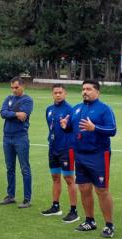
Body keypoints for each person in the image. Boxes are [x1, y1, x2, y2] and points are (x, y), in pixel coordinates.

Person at [60, 80, 116, 237]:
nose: (85, 92)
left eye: (89, 89)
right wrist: (65, 125)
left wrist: (95, 128)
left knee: (101, 190)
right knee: (84, 189)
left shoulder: (104, 109)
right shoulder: (77, 108)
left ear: (97, 92)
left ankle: (109, 225)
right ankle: (90, 221)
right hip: (80, 155)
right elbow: (70, 127)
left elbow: (112, 130)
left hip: (98, 154)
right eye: (83, 89)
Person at [41, 84, 79, 223]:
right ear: (52, 94)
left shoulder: (70, 110)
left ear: (65, 93)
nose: (58, 95)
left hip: (66, 149)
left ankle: (74, 211)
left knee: (69, 179)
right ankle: (55, 206)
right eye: (55, 92)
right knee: (55, 177)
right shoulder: (49, 110)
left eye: (60, 92)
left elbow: (74, 130)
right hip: (53, 148)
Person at [0, 76, 33, 208]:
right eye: (12, 87)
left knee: (24, 168)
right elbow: (2, 113)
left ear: (23, 86)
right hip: (7, 137)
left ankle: (27, 199)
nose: (14, 90)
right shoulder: (8, 98)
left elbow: (24, 115)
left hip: (20, 137)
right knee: (10, 168)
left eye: (16, 87)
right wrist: (15, 114)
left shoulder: (27, 100)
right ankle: (11, 196)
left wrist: (11, 113)